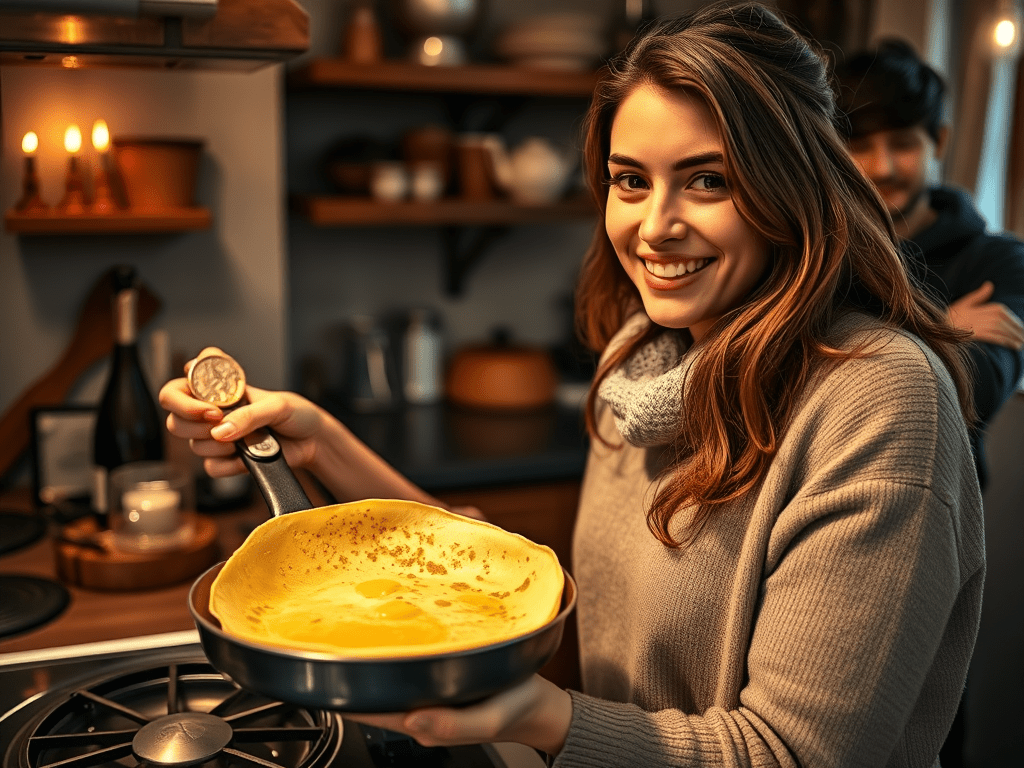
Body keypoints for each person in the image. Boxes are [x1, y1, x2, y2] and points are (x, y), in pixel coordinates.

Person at [161, 4, 985, 765]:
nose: (655, 225)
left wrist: (538, 719)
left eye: (708, 180)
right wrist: (323, 443)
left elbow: (792, 755)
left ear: (793, 189)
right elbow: (500, 585)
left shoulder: (879, 401)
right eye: (631, 180)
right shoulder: (642, 357)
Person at [833, 39, 1024, 491]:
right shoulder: (820, 256)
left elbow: (974, 391)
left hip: (934, 513)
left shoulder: (1000, 261)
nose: (883, 167)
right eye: (860, 146)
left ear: (938, 140)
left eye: (902, 144)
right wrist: (940, 326)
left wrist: (844, 344)